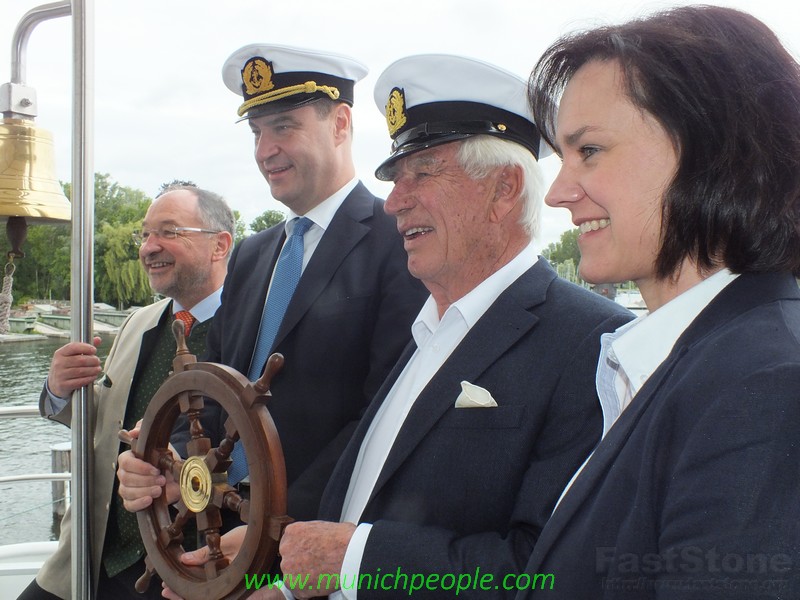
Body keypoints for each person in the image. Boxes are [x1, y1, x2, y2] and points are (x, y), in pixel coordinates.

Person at [166, 54, 633, 600]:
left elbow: (557, 570)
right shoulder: (428, 332)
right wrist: (287, 588)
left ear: (504, 190)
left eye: (423, 173)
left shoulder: (596, 346)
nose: (393, 202)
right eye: (394, 178)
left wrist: (352, 561)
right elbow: (366, 505)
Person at [519, 5, 800, 598]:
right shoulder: (709, 361)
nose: (560, 193)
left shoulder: (764, 388)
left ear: (712, 151)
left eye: (589, 150)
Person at [118, 45, 427, 528]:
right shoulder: (251, 254)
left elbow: (384, 416)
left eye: (284, 126)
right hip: (221, 530)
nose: (264, 150)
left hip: (313, 540)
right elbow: (214, 390)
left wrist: (270, 527)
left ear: (341, 124)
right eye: (258, 132)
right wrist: (166, 459)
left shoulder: (400, 244)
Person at [17, 184, 235, 599]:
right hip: (94, 551)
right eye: (145, 234)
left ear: (219, 245)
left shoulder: (250, 329)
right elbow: (111, 416)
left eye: (169, 232)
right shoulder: (139, 322)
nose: (149, 247)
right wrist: (61, 389)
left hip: (183, 567)